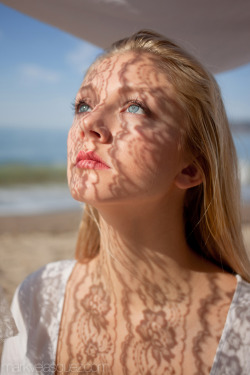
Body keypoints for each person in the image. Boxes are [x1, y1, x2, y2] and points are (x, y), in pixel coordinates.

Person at [1, 30, 250, 374]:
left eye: (135, 107)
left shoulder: (243, 327)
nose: (89, 123)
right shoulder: (37, 298)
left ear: (192, 167)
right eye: (83, 105)